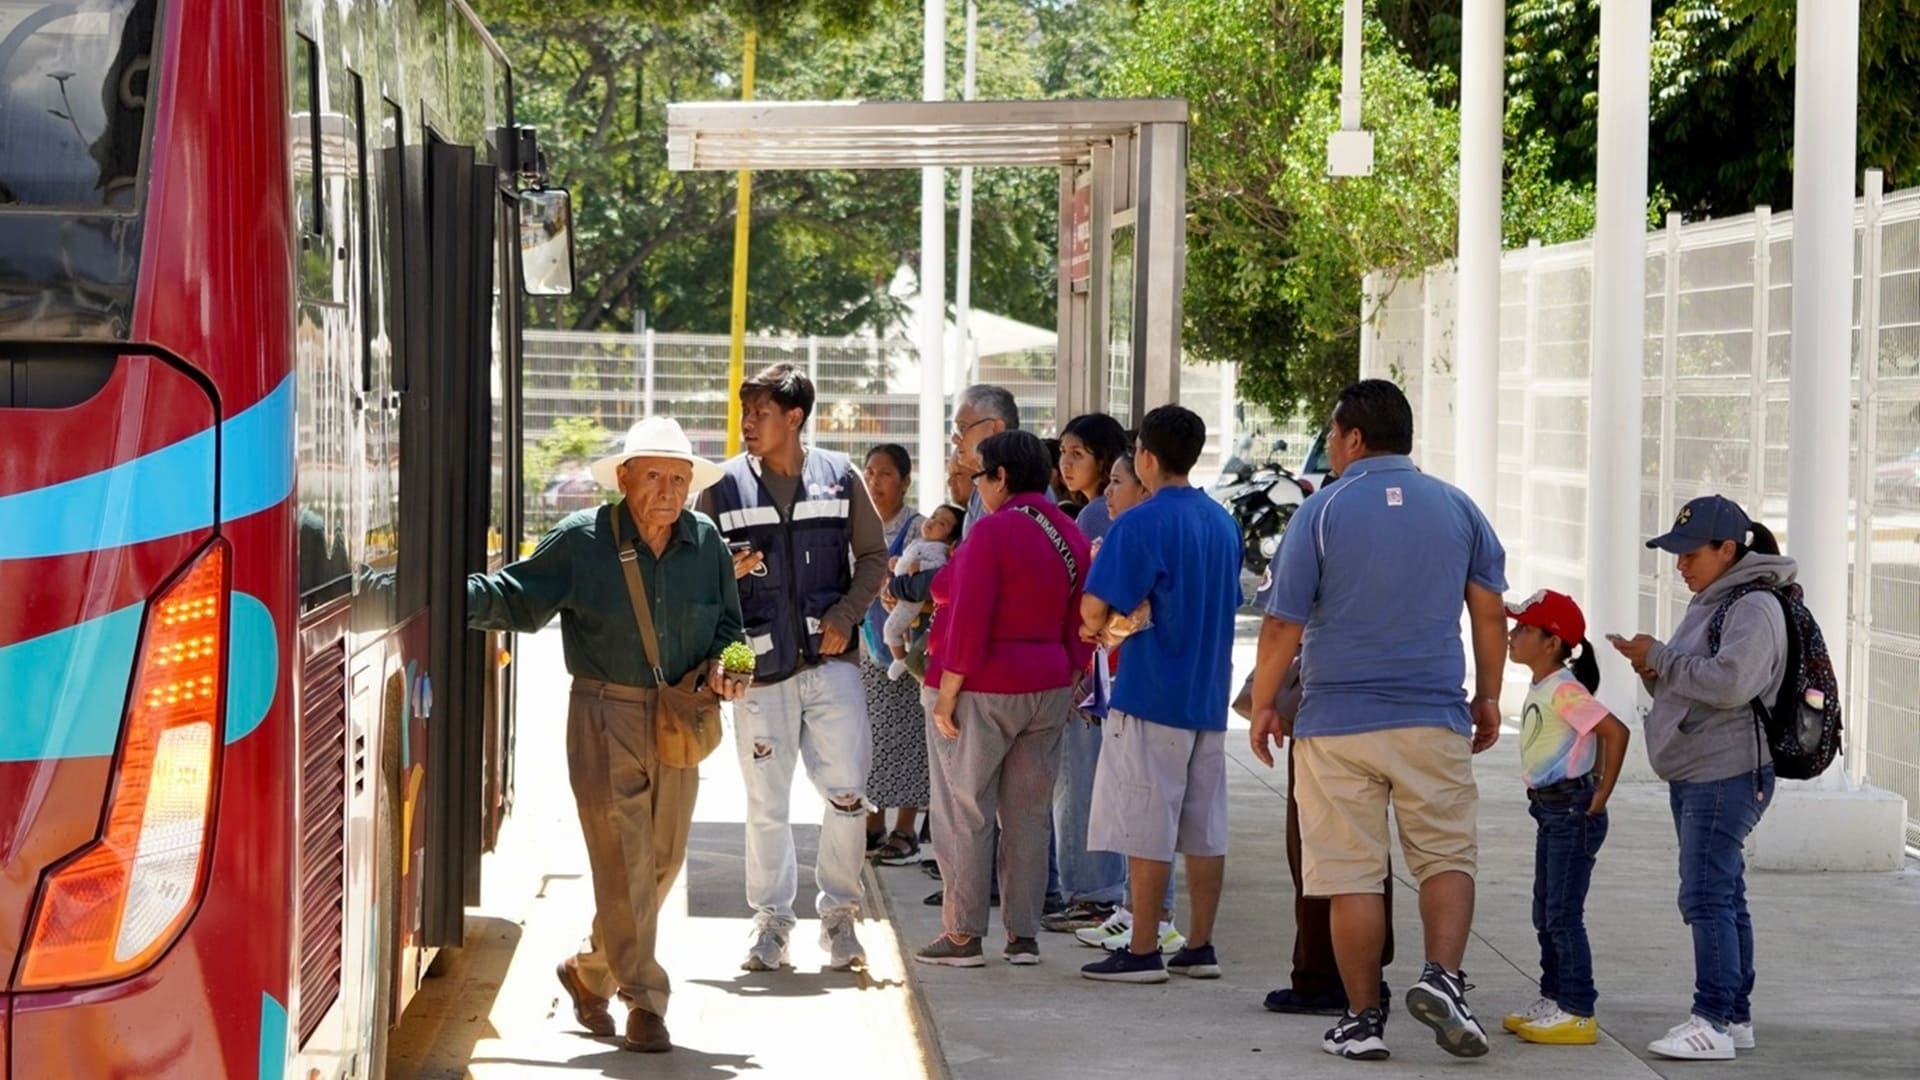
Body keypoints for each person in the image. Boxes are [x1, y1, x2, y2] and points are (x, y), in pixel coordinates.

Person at [465, 416, 747, 1054]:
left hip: (681, 718)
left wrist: (731, 666)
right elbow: (514, 597)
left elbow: (730, 628)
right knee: (625, 863)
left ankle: (589, 970)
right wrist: (432, 592)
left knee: (663, 861)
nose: (668, 491)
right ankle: (644, 999)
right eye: (654, 476)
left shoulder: (705, 542)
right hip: (603, 715)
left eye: (679, 479)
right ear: (623, 478)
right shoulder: (581, 539)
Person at [1248, 379, 1507, 1062]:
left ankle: (1362, 1019)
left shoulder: (1322, 511)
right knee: (1446, 856)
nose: (1330, 446)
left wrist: (1265, 703)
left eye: (1332, 434)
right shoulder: (1458, 508)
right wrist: (1488, 696)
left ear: (1354, 437)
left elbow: (1281, 623)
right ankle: (1444, 980)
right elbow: (1488, 614)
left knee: (1350, 874)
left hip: (1337, 723)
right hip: (1432, 713)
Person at [699, 364, 889, 973]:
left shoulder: (840, 477)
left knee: (847, 795)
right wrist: (722, 574)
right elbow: (696, 576)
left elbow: (874, 556)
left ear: (794, 418)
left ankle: (840, 918)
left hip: (831, 665)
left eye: (760, 413)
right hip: (761, 672)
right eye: (745, 412)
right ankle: (772, 925)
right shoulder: (722, 487)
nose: (748, 423)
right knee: (766, 804)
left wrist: (846, 614)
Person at [1611, 495, 1791, 1062]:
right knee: (1725, 893)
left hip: (1725, 773)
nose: (1681, 565)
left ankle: (1711, 1020)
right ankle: (1733, 1016)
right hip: (1702, 771)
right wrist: (1653, 667)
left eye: (1691, 553)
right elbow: (1694, 683)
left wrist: (1662, 658)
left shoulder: (1753, 606)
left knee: (1706, 894)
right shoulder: (1716, 600)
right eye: (1677, 553)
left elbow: (1731, 683)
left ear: (1728, 549)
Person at [1076, 405, 1243, 985]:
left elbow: (1093, 609)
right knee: (1205, 828)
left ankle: (1143, 947)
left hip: (1151, 691)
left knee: (1147, 824)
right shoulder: (1223, 522)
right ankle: (1200, 945)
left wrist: (1101, 624)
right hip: (1208, 694)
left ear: (1145, 455)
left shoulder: (1139, 522)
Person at [913, 431, 1092, 968]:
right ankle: (1023, 936)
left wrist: (946, 694)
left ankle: (963, 934)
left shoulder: (992, 531)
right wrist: (1071, 677)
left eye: (979, 476)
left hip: (983, 688)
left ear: (1001, 477)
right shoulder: (1068, 530)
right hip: (1048, 685)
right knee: (1029, 815)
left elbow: (966, 614)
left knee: (964, 810)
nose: (976, 487)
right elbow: (1081, 619)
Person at [1502, 589, 1631, 1046]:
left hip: (1572, 812)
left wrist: (1601, 791)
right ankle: (1554, 997)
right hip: (1550, 810)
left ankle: (1577, 1010)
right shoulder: (1544, 685)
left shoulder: (1564, 689)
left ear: (1552, 642)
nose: (1513, 636)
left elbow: (1615, 732)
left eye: (1523, 629)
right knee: (1545, 910)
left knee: (1562, 914)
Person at [1042, 413, 1136, 934]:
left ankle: (1093, 893)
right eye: (1062, 452)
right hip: (1105, 669)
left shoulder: (1098, 514)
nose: (1066, 462)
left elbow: (1090, 601)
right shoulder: (1091, 511)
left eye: (1078, 453)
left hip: (1094, 669)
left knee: (1080, 783)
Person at [859, 444, 932, 865]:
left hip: (908, 649)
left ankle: (906, 828)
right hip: (866, 650)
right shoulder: (858, 525)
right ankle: (873, 822)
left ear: (905, 481)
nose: (875, 481)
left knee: (907, 738)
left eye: (885, 473)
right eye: (869, 472)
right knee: (868, 737)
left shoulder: (920, 528)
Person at [884, 504, 963, 680]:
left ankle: (900, 660)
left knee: (891, 629)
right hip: (905, 592)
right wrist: (897, 562)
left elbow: (940, 566)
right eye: (933, 516)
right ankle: (903, 652)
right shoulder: (920, 542)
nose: (933, 522)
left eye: (942, 523)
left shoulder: (938, 548)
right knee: (899, 628)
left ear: (950, 538)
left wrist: (922, 566)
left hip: (913, 599)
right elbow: (907, 561)